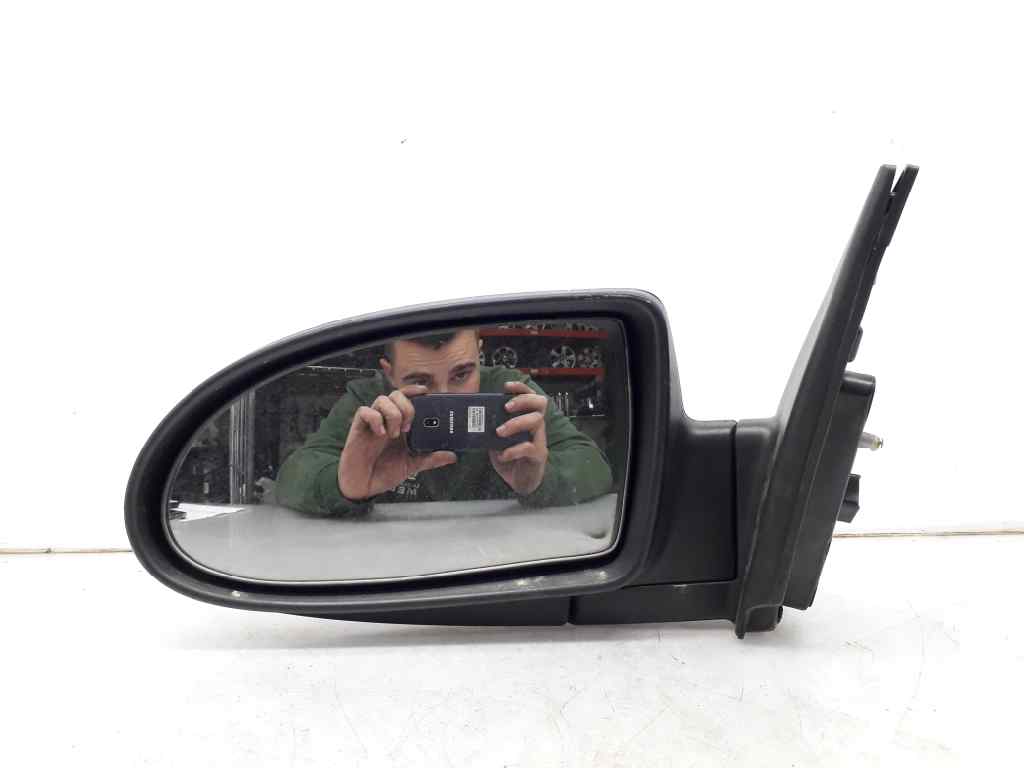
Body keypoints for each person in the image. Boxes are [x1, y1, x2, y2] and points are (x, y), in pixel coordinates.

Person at [275, 328, 613, 515]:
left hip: (499, 557)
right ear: (389, 374)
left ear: (480, 353)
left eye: (462, 374)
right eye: (420, 381)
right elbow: (291, 477)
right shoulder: (370, 401)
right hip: (389, 562)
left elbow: (595, 467)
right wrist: (343, 486)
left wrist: (540, 480)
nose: (446, 399)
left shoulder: (510, 391)